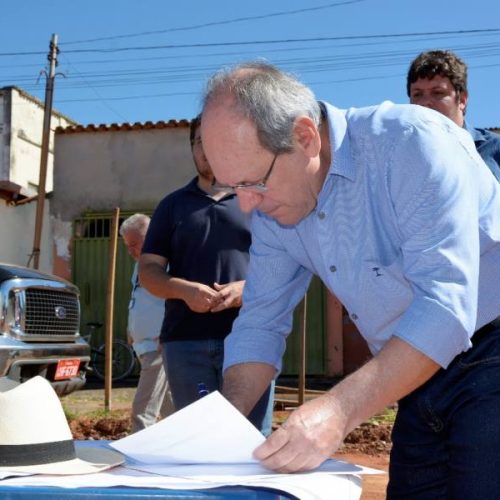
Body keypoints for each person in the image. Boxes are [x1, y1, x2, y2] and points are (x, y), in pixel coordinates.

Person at [200, 62, 500, 499]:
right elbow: (260, 323)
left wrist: (338, 410)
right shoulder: (275, 206)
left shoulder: (411, 144)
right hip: (411, 376)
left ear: (305, 137)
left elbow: (444, 308)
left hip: (490, 356)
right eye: (233, 188)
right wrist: (219, 425)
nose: (247, 205)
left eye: (254, 183)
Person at [139, 115, 274, 435]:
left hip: (249, 340)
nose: (207, 148)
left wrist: (247, 289)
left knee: (250, 443)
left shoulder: (261, 202)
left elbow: (286, 267)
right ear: (192, 148)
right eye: (199, 141)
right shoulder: (171, 206)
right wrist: (184, 290)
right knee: (199, 444)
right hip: (185, 345)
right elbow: (148, 271)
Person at [407, 49, 500, 181]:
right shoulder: (402, 155)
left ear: (462, 100)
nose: (425, 102)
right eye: (417, 94)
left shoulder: (495, 149)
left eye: (437, 93)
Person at [120, 213, 174, 433]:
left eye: (134, 244)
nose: (131, 251)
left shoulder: (168, 260)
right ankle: (189, 445)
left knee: (143, 409)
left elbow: (177, 296)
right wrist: (131, 328)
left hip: (158, 345)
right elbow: (139, 299)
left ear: (150, 236)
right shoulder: (141, 264)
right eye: (127, 246)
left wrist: (169, 330)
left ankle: (136, 454)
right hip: (145, 346)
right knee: (173, 407)